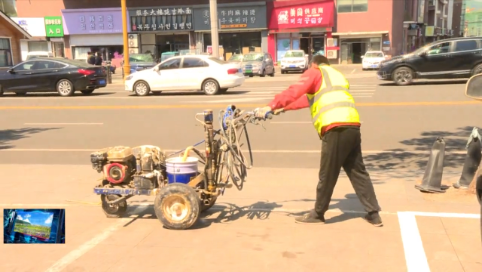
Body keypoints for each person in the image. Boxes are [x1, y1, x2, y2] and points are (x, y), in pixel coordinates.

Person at [254, 55, 383, 227]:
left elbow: (295, 91)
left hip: (334, 127)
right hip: (352, 125)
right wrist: (282, 109)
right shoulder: (337, 75)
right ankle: (374, 214)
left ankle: (318, 213)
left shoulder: (315, 72)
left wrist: (271, 105)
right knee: (357, 171)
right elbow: (308, 99)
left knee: (327, 174)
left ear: (314, 64)